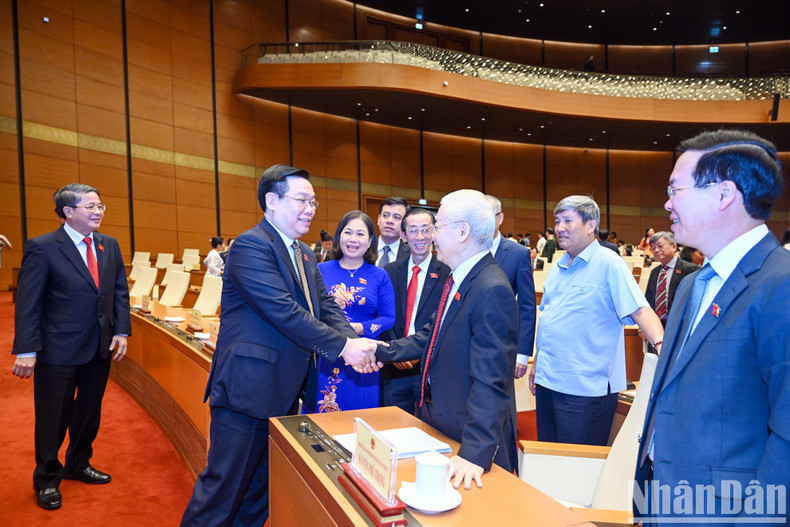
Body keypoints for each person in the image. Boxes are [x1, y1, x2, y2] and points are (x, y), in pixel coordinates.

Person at [180, 165, 378, 526]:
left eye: (313, 201)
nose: (310, 209)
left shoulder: (303, 253)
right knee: (222, 492)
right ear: (271, 201)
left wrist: (354, 339)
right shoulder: (251, 246)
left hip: (285, 391)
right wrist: (344, 348)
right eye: (301, 200)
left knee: (258, 494)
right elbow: (284, 312)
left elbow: (325, 305)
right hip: (247, 390)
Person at [634, 130, 790, 523]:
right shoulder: (691, 285)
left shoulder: (781, 284)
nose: (667, 204)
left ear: (723, 195)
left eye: (676, 190)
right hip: (660, 499)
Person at [374, 189, 519, 490]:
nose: (432, 235)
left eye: (437, 226)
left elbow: (492, 380)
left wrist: (474, 454)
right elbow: (430, 335)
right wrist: (381, 350)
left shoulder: (490, 288)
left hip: (467, 444)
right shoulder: (459, 278)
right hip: (442, 427)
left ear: (463, 231)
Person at [11, 183, 131, 510]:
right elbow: (28, 303)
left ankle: (78, 463)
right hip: (57, 349)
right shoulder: (43, 247)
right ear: (68, 211)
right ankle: (47, 477)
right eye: (90, 206)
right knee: (53, 416)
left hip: (100, 346)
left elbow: (118, 291)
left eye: (101, 205)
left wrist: (121, 330)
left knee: (89, 411)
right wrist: (26, 349)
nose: (98, 211)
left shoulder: (110, 245)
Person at [528, 195, 664, 445]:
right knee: (549, 463)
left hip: (585, 390)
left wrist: (661, 346)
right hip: (548, 383)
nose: (559, 228)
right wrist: (538, 363)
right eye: (557, 221)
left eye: (568, 220)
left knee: (578, 469)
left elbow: (640, 310)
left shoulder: (609, 264)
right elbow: (548, 319)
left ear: (591, 225)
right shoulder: (559, 266)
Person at [304, 211, 396, 412]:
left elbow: (389, 318)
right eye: (348, 232)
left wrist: (360, 328)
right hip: (326, 353)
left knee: (358, 420)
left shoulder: (380, 275)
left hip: (364, 359)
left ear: (371, 240)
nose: (353, 239)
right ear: (339, 237)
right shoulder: (319, 270)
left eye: (361, 234)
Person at [380, 208, 451, 417]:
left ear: (434, 233)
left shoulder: (448, 273)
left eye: (425, 230)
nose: (419, 237)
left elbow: (443, 322)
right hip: (394, 369)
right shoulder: (390, 272)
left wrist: (418, 353)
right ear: (403, 236)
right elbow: (384, 318)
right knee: (392, 428)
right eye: (412, 230)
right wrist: (399, 352)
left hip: (429, 368)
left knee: (429, 431)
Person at [486, 195, 536, 379]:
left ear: (500, 218)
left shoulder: (518, 254)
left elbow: (527, 307)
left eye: (489, 215)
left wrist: (522, 354)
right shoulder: (464, 250)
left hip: (502, 346)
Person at [376, 196, 411, 267]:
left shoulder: (411, 255)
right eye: (385, 215)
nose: (390, 221)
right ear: (379, 219)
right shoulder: (365, 249)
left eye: (396, 217)